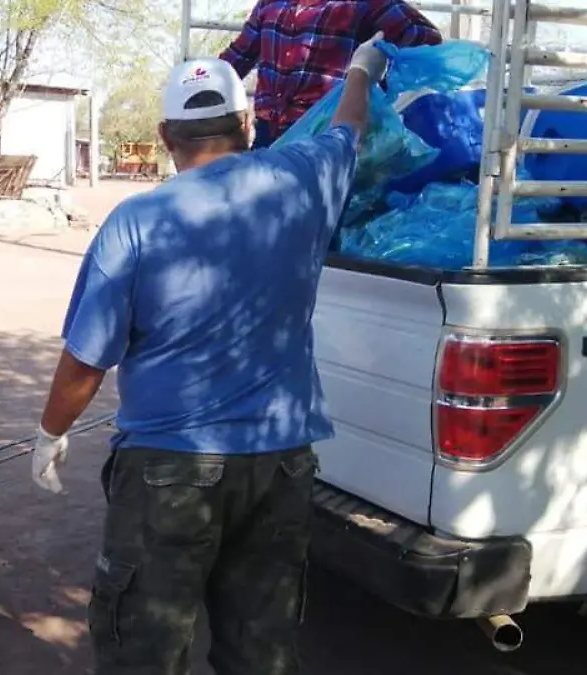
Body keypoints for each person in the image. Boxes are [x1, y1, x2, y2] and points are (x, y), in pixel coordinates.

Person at [31, 40, 384, 674]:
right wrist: (360, 69)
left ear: (165, 135)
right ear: (247, 124)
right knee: (261, 649)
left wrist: (50, 433)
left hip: (168, 468)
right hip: (279, 462)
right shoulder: (304, 179)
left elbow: (86, 362)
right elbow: (348, 128)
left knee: (144, 651)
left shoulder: (136, 222)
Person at [221, 0, 442, 148]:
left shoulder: (365, 3)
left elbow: (424, 36)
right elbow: (238, 56)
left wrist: (371, 82)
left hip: (324, 134)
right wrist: (204, 81)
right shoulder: (270, 4)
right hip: (268, 130)